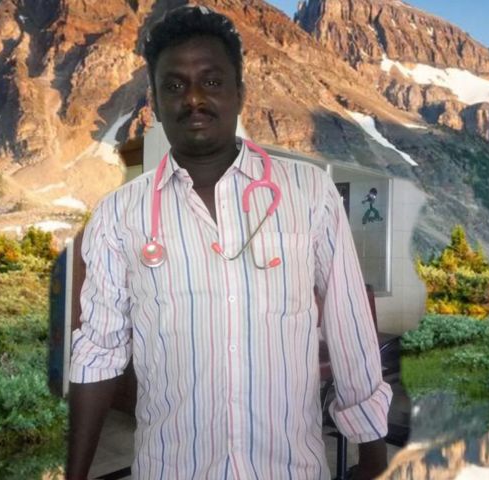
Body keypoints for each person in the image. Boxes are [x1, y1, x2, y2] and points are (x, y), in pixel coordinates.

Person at [67, 6, 392, 480]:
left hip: (289, 470)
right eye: (174, 86)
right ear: (155, 103)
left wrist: (374, 460)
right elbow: (99, 349)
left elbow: (349, 327)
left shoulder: (308, 192)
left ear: (240, 93)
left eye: (212, 81)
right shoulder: (119, 214)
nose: (194, 98)